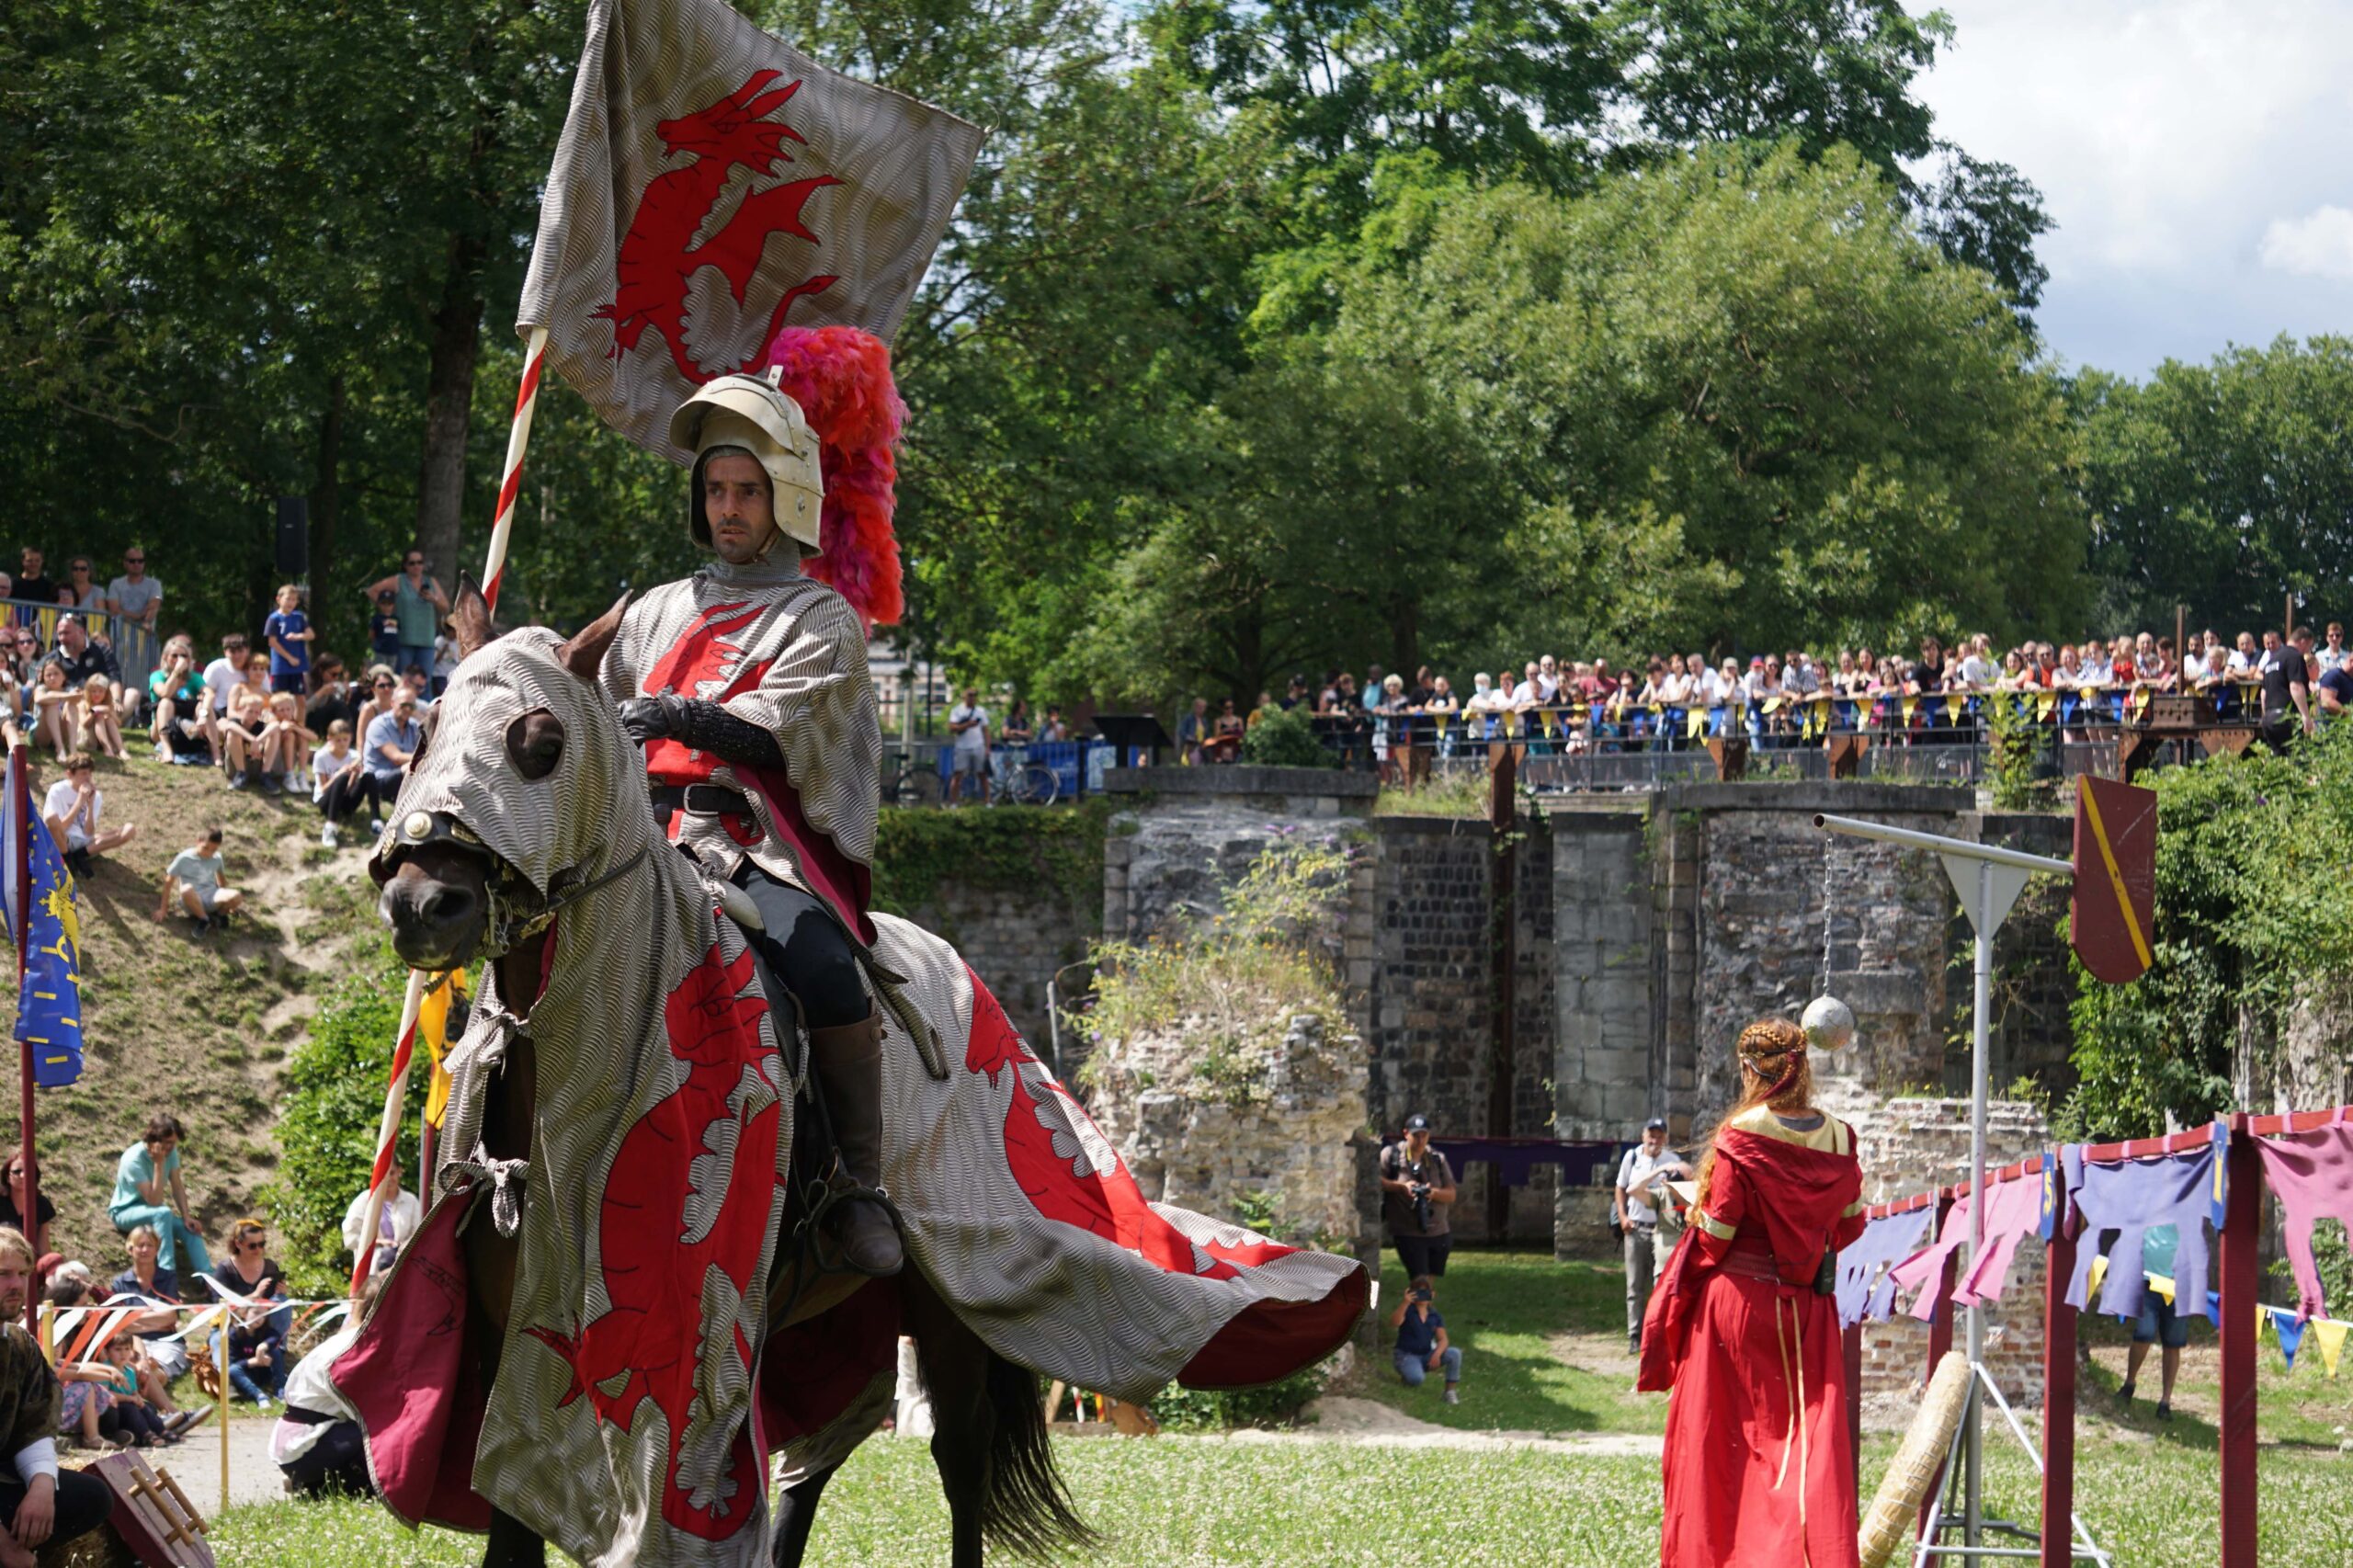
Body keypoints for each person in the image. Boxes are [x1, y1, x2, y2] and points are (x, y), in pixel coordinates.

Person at [602, 374, 902, 1276]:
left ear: (786, 497)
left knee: (819, 965)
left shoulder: (822, 616)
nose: (727, 508)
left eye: (747, 490)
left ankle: (858, 1183)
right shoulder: (653, 608)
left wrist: (675, 716)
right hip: (630, 836)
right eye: (715, 491)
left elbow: (773, 728)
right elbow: (593, 704)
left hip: (744, 841)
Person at [1641, 1018, 1865, 1568]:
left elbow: (1716, 1235)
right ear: (1801, 1067)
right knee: (1804, 1450)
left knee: (1726, 1450)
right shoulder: (1840, 1136)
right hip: (1808, 1307)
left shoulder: (1741, 1134)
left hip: (1737, 1307)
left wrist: (1685, 1215)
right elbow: (1852, 1225)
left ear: (1749, 1070)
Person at [0, 1226, 115, 1562]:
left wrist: (42, 1487)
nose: (16, 1285)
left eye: (22, 1274)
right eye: (3, 1274)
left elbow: (36, 1427)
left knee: (91, 1497)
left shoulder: (21, 1347)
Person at [272, 1276, 379, 1497]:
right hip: (305, 1448)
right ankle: (317, 1486)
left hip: (302, 1443)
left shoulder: (349, 1340)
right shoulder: (353, 1347)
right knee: (385, 1435)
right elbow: (361, 1412)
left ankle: (312, 1486)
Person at [1614, 1117, 1692, 1354]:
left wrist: (1676, 1173)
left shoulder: (1674, 1161)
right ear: (1643, 1136)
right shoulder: (1633, 1157)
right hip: (1637, 1227)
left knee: (1660, 1289)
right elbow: (1623, 1188)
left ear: (1665, 1138)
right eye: (1651, 1135)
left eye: (1659, 1136)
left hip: (1663, 1229)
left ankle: (1660, 1337)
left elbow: (1689, 1180)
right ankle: (1635, 1336)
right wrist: (1623, 1217)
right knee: (1635, 1287)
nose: (1654, 1140)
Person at [108, 1118, 210, 1276]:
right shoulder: (133, 1159)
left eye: (174, 1143)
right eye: (167, 1142)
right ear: (153, 1139)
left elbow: (177, 1185)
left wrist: (186, 1217)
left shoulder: (170, 1153)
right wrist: (159, 1164)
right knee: (162, 1212)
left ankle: (208, 1280)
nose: (170, 1147)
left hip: (152, 1213)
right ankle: (167, 1272)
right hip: (124, 1213)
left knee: (189, 1230)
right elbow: (154, 1201)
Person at [206, 1218, 290, 1409]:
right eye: (252, 1246)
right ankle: (228, 1379)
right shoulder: (225, 1269)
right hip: (231, 1327)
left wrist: (279, 1292)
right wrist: (256, 1294)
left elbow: (273, 1305)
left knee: (283, 1303)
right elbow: (220, 1306)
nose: (258, 1250)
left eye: (262, 1244)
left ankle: (278, 1355)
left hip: (261, 1328)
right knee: (218, 1340)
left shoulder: (270, 1267)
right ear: (238, 1244)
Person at [2118, 1221, 2187, 1421]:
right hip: (2147, 1281)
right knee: (2144, 1333)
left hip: (2178, 1284)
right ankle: (2129, 1384)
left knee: (2172, 1344)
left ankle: (2165, 1402)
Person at [108, 1225, 194, 1384]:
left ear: (157, 1249)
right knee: (135, 1368)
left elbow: (170, 1316)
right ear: (130, 1249)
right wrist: (156, 1322)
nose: (145, 1249)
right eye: (140, 1245)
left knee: (153, 1371)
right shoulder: (120, 1283)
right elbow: (119, 1324)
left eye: (150, 1245)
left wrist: (133, 1319)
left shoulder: (168, 1278)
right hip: (131, 1343)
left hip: (166, 1342)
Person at [1378, 1114, 1458, 1279]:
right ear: (1406, 1133)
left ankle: (1422, 1306)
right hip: (1408, 1232)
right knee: (1419, 1280)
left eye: (1424, 1135)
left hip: (1439, 1231)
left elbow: (1451, 1194)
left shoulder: (1437, 1158)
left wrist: (1432, 1193)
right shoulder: (1391, 1154)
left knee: (1428, 1283)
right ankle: (1417, 1305)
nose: (1420, 1140)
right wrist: (1401, 1187)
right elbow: (1375, 1182)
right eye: (1416, 1135)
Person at [42, 753, 135, 881]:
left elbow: (88, 832)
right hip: (63, 840)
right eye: (83, 774)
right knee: (51, 819)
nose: (88, 778)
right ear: (69, 774)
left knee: (129, 829)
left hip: (84, 842)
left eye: (89, 773)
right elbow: (58, 827)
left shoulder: (96, 796)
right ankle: (67, 858)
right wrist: (80, 801)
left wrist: (90, 805)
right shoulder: (57, 790)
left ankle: (79, 856)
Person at [362, 549, 449, 679]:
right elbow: (372, 591)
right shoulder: (399, 580)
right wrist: (388, 608)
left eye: (420, 562)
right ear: (405, 565)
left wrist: (434, 599)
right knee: (402, 679)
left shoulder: (431, 582)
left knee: (424, 682)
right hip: (403, 640)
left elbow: (446, 608)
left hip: (426, 641)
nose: (416, 566)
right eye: (412, 563)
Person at [1386, 1274, 1461, 1404]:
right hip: (1406, 1355)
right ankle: (1408, 1375)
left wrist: (1436, 1355)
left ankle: (1449, 1392)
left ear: (1432, 1294)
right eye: (1418, 1292)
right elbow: (1394, 1323)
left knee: (1455, 1353)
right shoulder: (1408, 1310)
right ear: (1411, 1293)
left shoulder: (1434, 1315)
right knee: (1416, 1379)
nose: (1422, 1295)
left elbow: (1443, 1339)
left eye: (1425, 1292)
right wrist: (1405, 1302)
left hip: (1426, 1354)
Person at [155, 826, 241, 933]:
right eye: (205, 848)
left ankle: (220, 915)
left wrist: (229, 903)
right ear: (198, 842)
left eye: (214, 850)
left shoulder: (217, 858)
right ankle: (204, 919)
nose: (209, 853)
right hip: (192, 901)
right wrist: (163, 909)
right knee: (186, 889)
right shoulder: (184, 858)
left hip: (212, 897)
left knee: (237, 895)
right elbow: (168, 883)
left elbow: (221, 881)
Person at [339, 1166, 420, 1276]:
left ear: (399, 1172)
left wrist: (401, 1247)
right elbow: (350, 1238)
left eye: (391, 1173)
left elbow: (419, 1235)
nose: (387, 1179)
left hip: (404, 1270)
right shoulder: (363, 1201)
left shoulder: (411, 1201)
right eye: (383, 1174)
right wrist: (379, 1243)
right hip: (371, 1273)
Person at [313, 719, 378, 847]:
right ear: (329, 739)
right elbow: (324, 789)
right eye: (338, 740)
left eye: (345, 739)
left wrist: (354, 775)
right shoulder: (321, 756)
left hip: (345, 801)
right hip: (325, 801)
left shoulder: (354, 756)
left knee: (369, 775)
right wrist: (339, 774)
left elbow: (348, 789)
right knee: (342, 778)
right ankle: (330, 826)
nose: (342, 743)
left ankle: (377, 821)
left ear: (350, 738)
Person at [2260, 625, 2316, 751]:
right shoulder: (2294, 657)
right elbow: (2296, 686)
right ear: (2303, 641)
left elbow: (2263, 694)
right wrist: (2305, 716)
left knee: (2278, 764)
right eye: (2309, 647)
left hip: (2269, 719)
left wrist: (2265, 717)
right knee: (2299, 761)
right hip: (2287, 718)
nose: (2308, 651)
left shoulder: (2271, 660)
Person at [0, 1155, 55, 1278]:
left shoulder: (41, 1204)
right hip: (3, 1259)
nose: (23, 1176)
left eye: (28, 1171)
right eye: (17, 1171)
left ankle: (48, 1297)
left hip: (29, 1261)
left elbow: (44, 1246)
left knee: (54, 1260)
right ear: (7, 1177)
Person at [363, 690, 421, 801]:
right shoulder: (378, 725)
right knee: (414, 766)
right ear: (393, 703)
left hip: (402, 777)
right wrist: (427, 759)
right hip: (378, 780)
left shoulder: (414, 726)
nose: (408, 709)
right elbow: (396, 758)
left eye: (411, 706)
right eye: (404, 704)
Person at [42, 615, 118, 692]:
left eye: (66, 633)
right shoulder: (52, 658)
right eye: (59, 634)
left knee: (130, 694)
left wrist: (116, 701)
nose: (62, 638)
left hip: (97, 701)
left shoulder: (103, 652)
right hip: (64, 702)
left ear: (81, 632)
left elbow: (114, 679)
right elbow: (40, 689)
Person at [263, 584, 313, 695]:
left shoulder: (299, 617)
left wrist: (298, 636)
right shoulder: (274, 619)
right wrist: (290, 658)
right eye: (288, 599)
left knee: (300, 699)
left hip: (297, 667)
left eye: (294, 600)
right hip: (281, 667)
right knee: (279, 697)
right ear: (278, 599)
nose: (291, 602)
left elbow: (311, 634)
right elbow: (272, 642)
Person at [947, 685, 991, 806]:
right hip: (962, 747)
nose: (972, 698)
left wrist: (987, 747)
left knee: (982, 774)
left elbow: (986, 730)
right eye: (970, 695)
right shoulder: (957, 711)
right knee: (958, 775)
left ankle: (987, 801)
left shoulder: (980, 711)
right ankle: (954, 802)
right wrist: (967, 725)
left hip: (978, 746)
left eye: (974, 695)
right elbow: (951, 727)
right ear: (964, 697)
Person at [100, 550, 162, 636]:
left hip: (145, 635)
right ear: (125, 563)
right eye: (132, 561)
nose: (136, 564)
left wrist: (146, 621)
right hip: (119, 636)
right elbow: (114, 610)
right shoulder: (115, 584)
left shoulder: (155, 584)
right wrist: (139, 616)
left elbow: (154, 606)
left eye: (140, 561)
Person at [1176, 696, 1209, 767]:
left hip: (1202, 747)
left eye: (1203, 707)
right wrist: (1189, 737)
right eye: (1199, 707)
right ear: (1195, 707)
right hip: (1191, 747)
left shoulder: (1204, 721)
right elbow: (1181, 731)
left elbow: (1207, 735)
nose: (1201, 709)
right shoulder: (1189, 718)